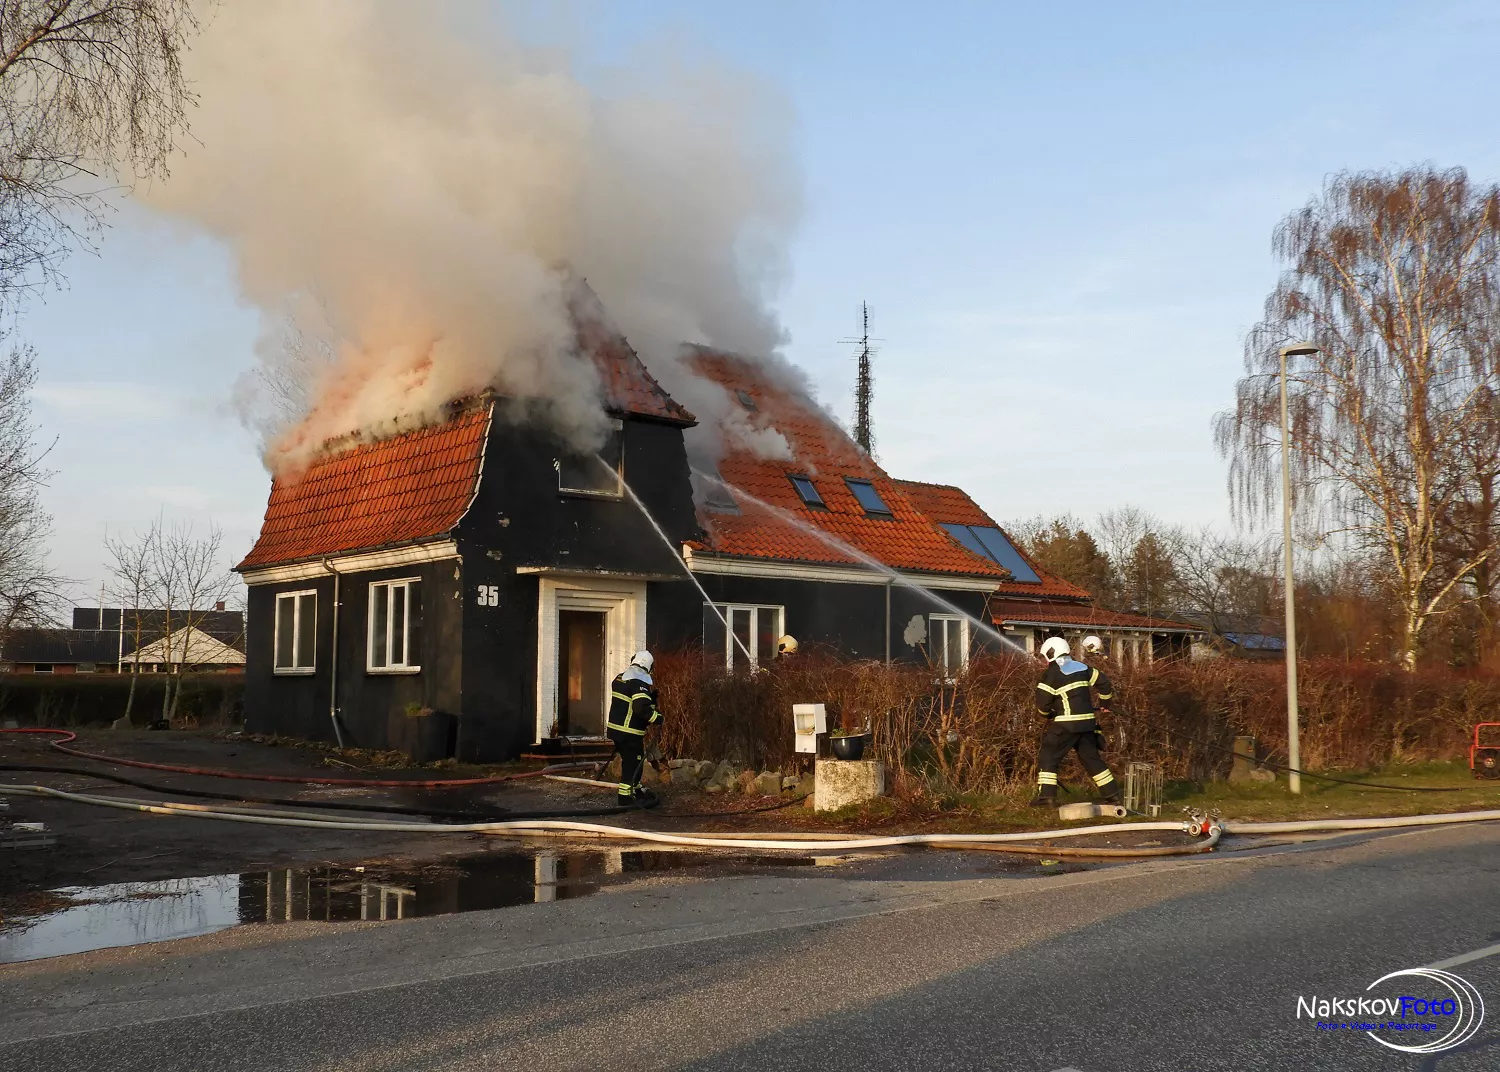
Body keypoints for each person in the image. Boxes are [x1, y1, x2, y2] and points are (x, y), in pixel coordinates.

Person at [1031, 636, 1120, 807]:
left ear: (1051, 653)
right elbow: (1104, 683)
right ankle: (1113, 795)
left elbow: (1042, 706)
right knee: (1091, 758)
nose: (1044, 661)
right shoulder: (1081, 667)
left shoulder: (1051, 674)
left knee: (1048, 755)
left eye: (1045, 657)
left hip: (1066, 724)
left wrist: (1048, 714)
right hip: (1087, 724)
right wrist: (1104, 704)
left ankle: (1046, 798)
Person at [606, 650, 663, 807]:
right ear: (648, 666)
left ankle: (635, 789)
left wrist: (649, 698)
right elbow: (640, 709)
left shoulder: (620, 678)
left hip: (616, 730)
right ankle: (625, 797)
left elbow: (632, 701)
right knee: (632, 763)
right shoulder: (638, 683)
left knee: (632, 760)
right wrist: (657, 718)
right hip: (628, 732)